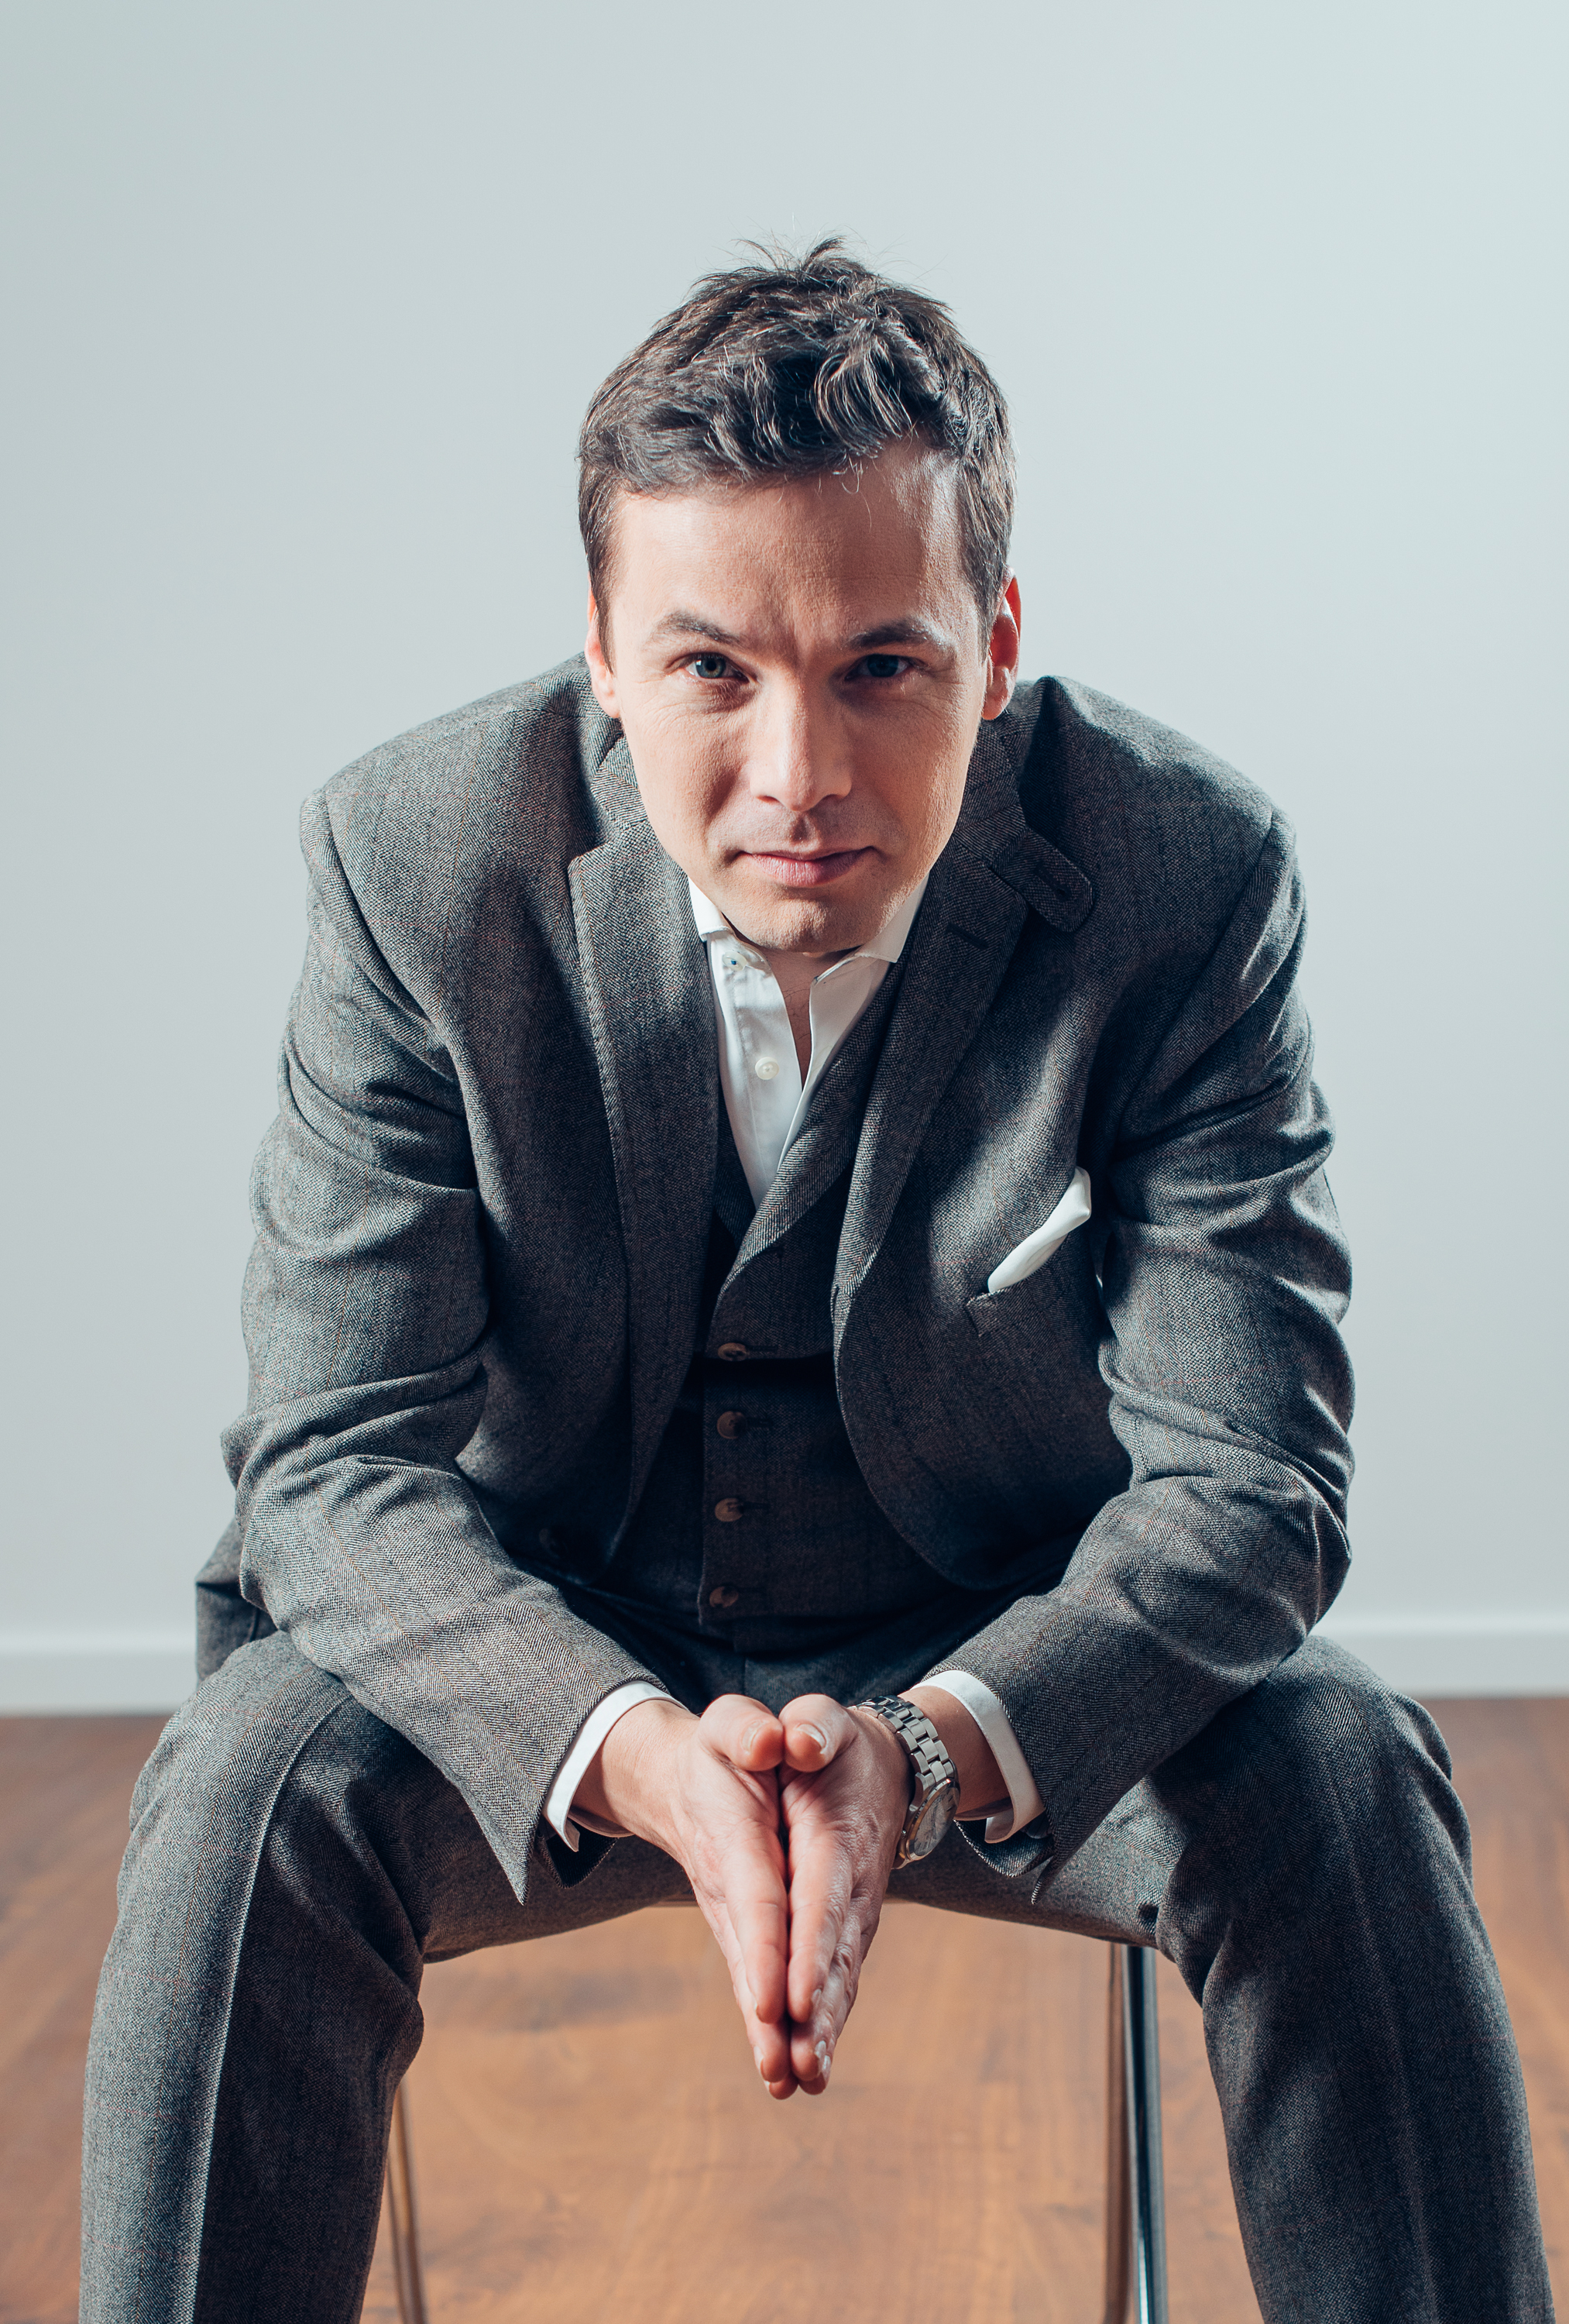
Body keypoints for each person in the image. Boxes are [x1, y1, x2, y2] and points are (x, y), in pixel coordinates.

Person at [82, 242, 1551, 2323]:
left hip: (999, 1623)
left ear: (996, 643)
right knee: (245, 1785)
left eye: (881, 666)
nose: (801, 774)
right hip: (547, 1607)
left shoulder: (1185, 872)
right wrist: (623, 1743)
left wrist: (934, 1747)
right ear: (603, 655)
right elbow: (330, 1469)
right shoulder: (413, 864)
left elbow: (1251, 1483)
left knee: (1341, 1766)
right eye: (711, 669)